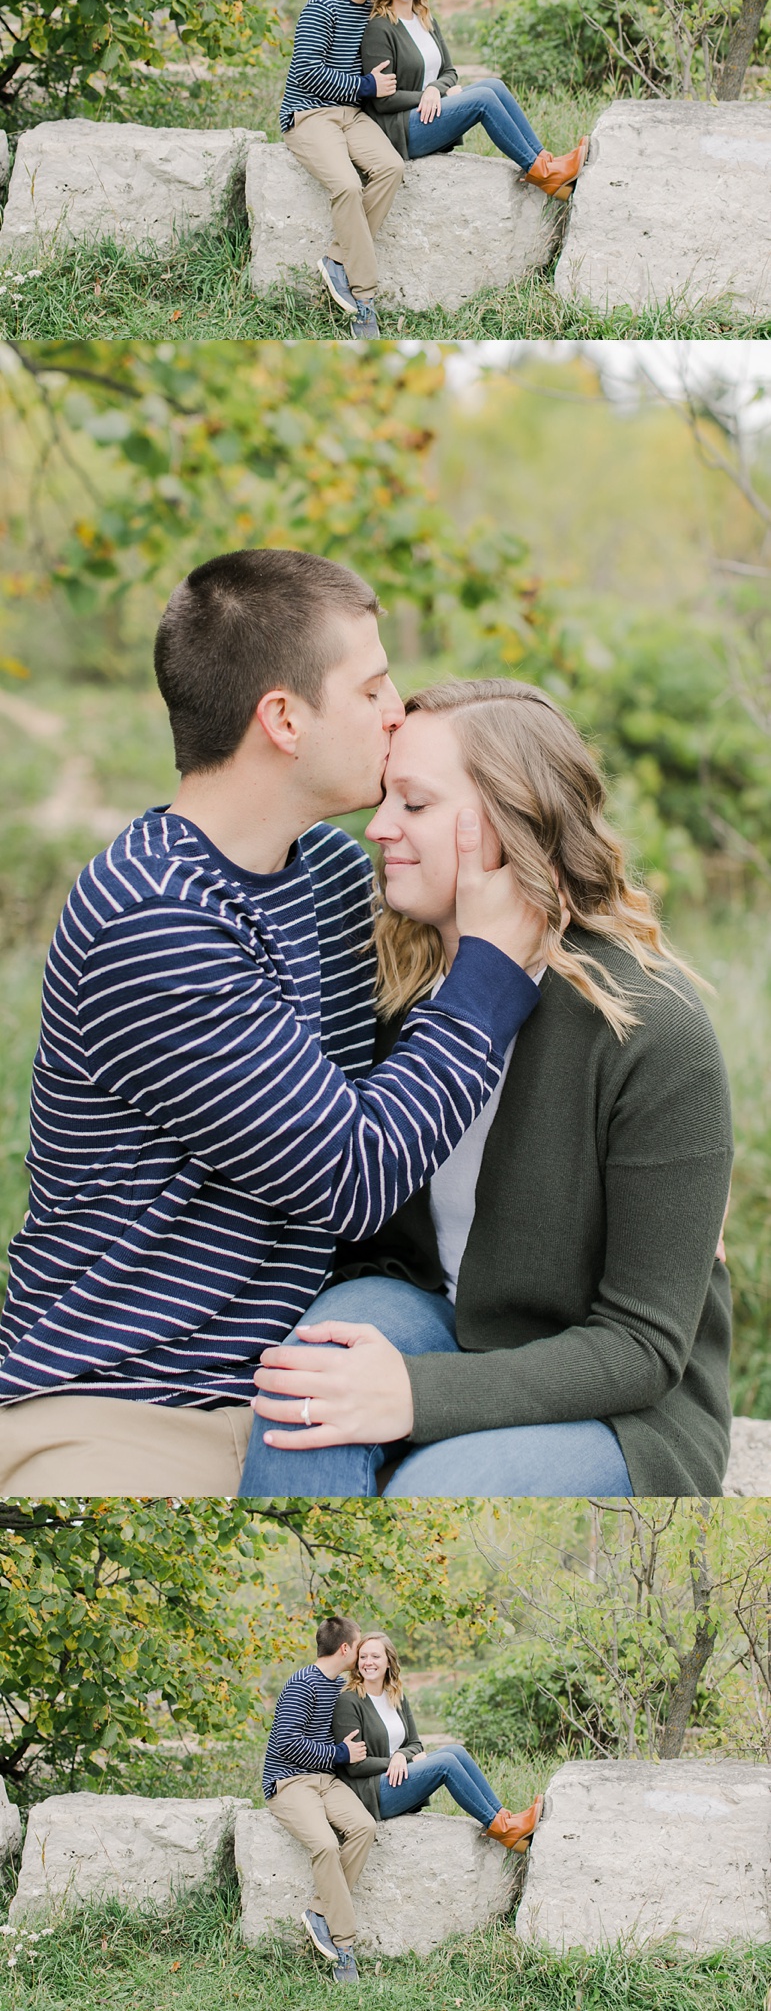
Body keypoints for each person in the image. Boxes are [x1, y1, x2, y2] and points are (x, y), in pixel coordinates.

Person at [0, 555, 547, 1499]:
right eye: (372, 687)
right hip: (121, 1406)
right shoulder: (154, 917)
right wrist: (488, 973)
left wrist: (632, 1191)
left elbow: (435, 1077)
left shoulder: (333, 878)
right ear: (284, 719)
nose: (397, 710)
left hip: (282, 1388)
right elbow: (354, 1172)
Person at [244, 677, 734, 1499]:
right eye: (385, 797)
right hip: (444, 1317)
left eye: (416, 804)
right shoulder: (395, 990)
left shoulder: (654, 1032)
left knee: (435, 1489)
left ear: (513, 823)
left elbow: (642, 1347)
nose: (378, 827)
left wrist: (417, 1397)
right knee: (307, 1393)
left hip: (626, 1406)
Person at [359, 0, 589, 198]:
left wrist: (436, 89)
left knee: (494, 86)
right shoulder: (379, 28)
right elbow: (381, 100)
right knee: (483, 100)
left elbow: (449, 71)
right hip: (402, 130)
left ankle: (547, 161)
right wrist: (428, 95)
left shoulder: (425, 19)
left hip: (430, 113)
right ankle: (543, 175)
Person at [280, 0, 403, 339]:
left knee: (390, 168)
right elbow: (306, 73)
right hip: (309, 114)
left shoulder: (374, 10)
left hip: (352, 114)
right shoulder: (322, 5)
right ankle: (364, 300)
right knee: (348, 186)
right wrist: (366, 87)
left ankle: (336, 258)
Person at [332, 1630, 543, 1851]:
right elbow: (353, 1766)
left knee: (455, 1751)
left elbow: (415, 1744)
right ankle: (502, 1830)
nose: (368, 1662)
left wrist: (402, 1756)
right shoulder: (349, 1701)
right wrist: (394, 1760)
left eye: (375, 1656)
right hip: (372, 1792)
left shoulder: (395, 1695)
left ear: (388, 1662)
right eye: (363, 1657)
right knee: (445, 1764)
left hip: (397, 1779)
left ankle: (505, 1818)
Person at [263, 1614, 372, 1985]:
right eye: (358, 1648)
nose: (359, 1655)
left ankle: (318, 1911)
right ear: (345, 1648)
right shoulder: (302, 1684)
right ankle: (344, 1947)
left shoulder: (337, 1684)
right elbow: (287, 1743)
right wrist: (341, 1754)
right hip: (289, 1782)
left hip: (325, 1780)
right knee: (325, 1844)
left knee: (363, 1827)